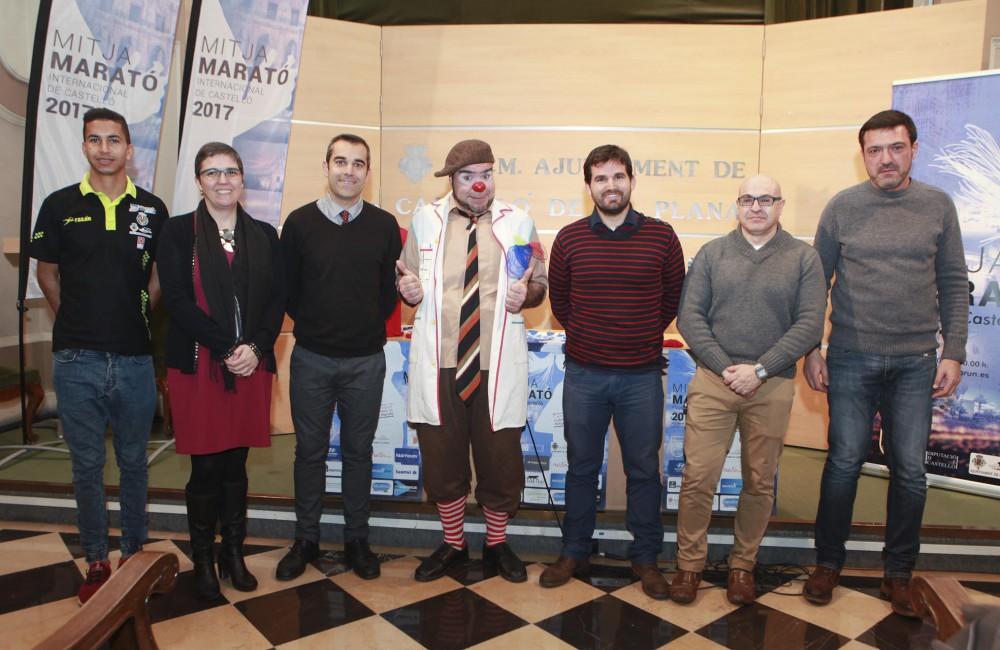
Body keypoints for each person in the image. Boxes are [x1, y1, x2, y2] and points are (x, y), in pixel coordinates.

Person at [802, 110, 968, 617]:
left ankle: (898, 574)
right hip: (850, 356)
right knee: (843, 462)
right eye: (874, 150)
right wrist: (811, 348)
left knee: (911, 471)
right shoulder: (842, 207)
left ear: (914, 149)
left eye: (895, 148)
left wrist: (953, 352)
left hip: (917, 361)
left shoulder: (938, 206)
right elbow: (815, 284)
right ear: (864, 156)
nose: (885, 159)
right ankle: (827, 563)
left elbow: (954, 282)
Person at [29, 107, 167, 604]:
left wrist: (138, 313)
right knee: (86, 466)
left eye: (113, 140)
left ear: (129, 149)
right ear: (84, 146)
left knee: (134, 463)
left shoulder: (152, 209)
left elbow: (158, 276)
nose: (104, 148)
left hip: (134, 360)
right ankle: (96, 560)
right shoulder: (58, 205)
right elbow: (47, 272)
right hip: (76, 361)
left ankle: (133, 556)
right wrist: (72, 317)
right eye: (95, 139)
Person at [396, 139, 548, 583]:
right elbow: (406, 280)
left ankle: (497, 543)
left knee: (500, 460)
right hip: (440, 362)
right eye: (467, 176)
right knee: (442, 459)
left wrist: (527, 294)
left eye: (485, 173)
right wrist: (407, 291)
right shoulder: (425, 220)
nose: (479, 183)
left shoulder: (518, 222)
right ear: (452, 180)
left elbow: (538, 284)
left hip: (494, 362)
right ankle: (454, 542)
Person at [672, 175, 826, 605]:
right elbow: (690, 317)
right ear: (737, 205)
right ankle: (689, 566)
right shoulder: (712, 254)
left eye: (765, 199)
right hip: (714, 380)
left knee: (759, 481)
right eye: (747, 199)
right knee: (698, 477)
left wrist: (759, 370)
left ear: (780, 205)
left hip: (772, 384)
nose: (756, 207)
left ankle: (743, 565)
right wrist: (726, 367)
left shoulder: (804, 258)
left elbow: (809, 324)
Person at [540, 144, 685, 599]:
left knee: (643, 470)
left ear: (632, 180)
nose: (611, 185)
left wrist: (636, 334)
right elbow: (561, 303)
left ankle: (646, 558)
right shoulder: (569, 239)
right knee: (581, 467)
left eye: (618, 176)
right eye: (601, 178)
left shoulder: (662, 237)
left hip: (641, 376)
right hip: (584, 375)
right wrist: (594, 336)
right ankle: (574, 550)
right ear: (589, 186)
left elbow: (671, 299)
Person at [157, 142, 285, 600]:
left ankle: (233, 553)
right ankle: (204, 560)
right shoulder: (177, 232)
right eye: (212, 172)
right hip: (199, 365)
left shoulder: (264, 235)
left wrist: (255, 347)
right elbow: (176, 301)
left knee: (237, 465)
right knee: (206, 466)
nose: (222, 180)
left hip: (251, 365)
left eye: (230, 171)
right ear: (199, 181)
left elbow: (276, 300)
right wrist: (228, 346)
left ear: (243, 178)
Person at [278, 134, 402, 581]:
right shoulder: (298, 223)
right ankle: (305, 540)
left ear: (368, 172)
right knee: (308, 452)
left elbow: (388, 293)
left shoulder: (385, 226)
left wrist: (358, 324)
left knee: (359, 453)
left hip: (365, 360)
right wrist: (319, 323)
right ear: (326, 166)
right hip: (312, 357)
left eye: (358, 164)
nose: (349, 171)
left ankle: (357, 541)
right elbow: (287, 289)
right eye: (341, 162)